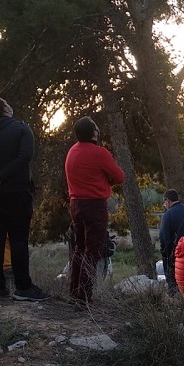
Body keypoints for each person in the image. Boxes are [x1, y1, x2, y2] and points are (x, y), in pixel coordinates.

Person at [0, 96, 49, 302]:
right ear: (5, 110)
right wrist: (1, 177)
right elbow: (25, 157)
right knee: (18, 239)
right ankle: (23, 287)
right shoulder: (21, 129)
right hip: (16, 192)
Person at [64, 116, 124, 305]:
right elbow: (119, 176)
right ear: (94, 133)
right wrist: (106, 180)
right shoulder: (99, 153)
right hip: (95, 206)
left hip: (75, 204)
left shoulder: (72, 151)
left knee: (79, 248)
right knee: (93, 251)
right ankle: (84, 297)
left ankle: (74, 292)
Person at [158, 189, 184, 293]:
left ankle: (176, 299)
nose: (164, 205)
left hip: (176, 256)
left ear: (168, 200)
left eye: (164, 202)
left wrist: (166, 256)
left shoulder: (168, 215)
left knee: (174, 286)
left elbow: (165, 239)